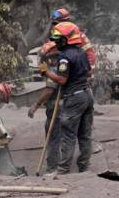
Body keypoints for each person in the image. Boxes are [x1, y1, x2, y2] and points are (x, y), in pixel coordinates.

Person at [39, 21, 94, 174]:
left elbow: (62, 80)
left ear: (65, 39)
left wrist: (46, 72)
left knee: (68, 135)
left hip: (74, 98)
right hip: (87, 95)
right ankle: (84, 167)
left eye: (57, 39)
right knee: (84, 134)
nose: (55, 42)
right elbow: (89, 72)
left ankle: (62, 170)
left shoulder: (64, 57)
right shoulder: (82, 52)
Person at [27, 42, 61, 174]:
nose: (41, 62)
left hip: (57, 108)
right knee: (60, 137)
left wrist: (36, 105)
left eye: (43, 58)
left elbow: (49, 90)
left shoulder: (54, 68)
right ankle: (61, 166)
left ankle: (53, 168)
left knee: (53, 138)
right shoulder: (64, 65)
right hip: (64, 107)